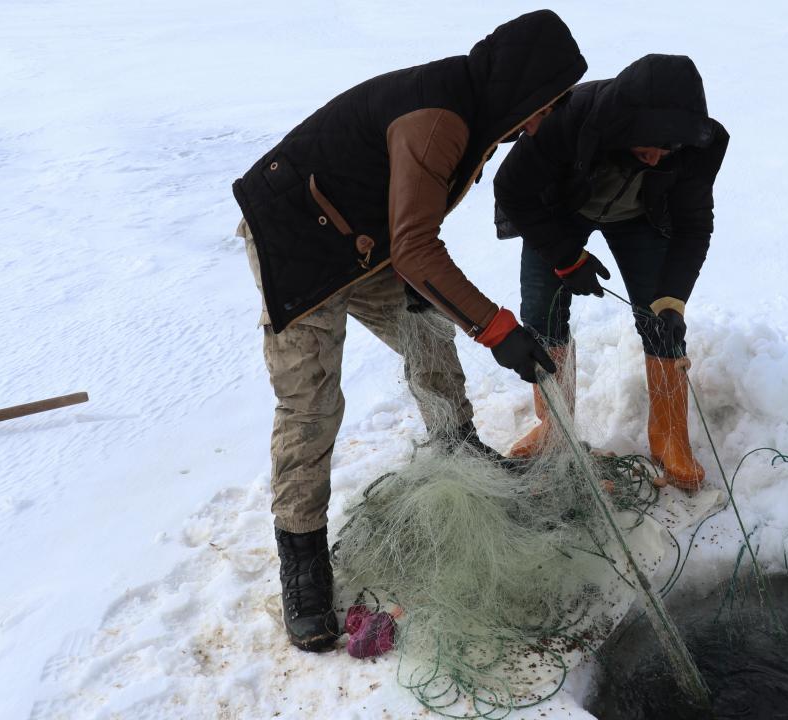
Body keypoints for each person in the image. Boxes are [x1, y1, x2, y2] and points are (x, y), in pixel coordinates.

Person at [231, 10, 586, 653]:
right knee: (311, 403)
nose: (544, 121)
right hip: (295, 241)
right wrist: (499, 328)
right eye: (547, 104)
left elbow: (410, 238)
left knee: (429, 334)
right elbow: (419, 249)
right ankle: (303, 555)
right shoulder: (440, 120)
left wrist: (471, 317)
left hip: (364, 241)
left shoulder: (473, 114)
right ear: (523, 89)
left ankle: (455, 444)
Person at [493, 54, 729, 492]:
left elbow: (694, 227)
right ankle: (554, 430)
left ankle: (671, 438)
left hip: (641, 217)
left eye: (670, 148)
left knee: (661, 320)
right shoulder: (570, 117)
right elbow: (512, 188)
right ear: (627, 123)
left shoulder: (694, 148)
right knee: (542, 312)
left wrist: (673, 298)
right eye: (652, 143)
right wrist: (566, 256)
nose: (659, 157)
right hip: (559, 210)